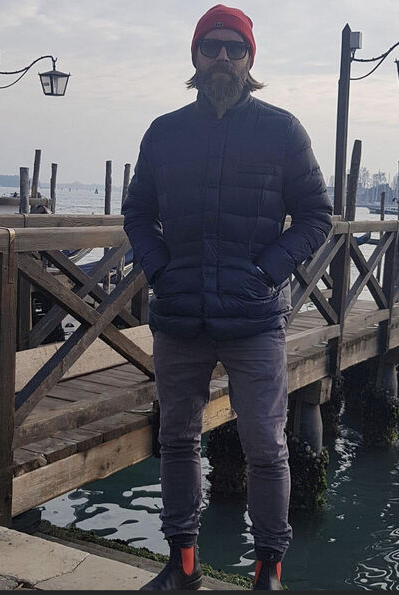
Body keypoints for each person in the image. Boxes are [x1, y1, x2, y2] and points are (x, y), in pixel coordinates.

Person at [122, 4, 332, 590]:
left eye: (233, 48)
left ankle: (268, 572)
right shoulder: (164, 133)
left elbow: (316, 215)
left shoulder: (282, 130)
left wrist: (268, 271)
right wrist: (159, 268)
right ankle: (183, 566)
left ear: (249, 59)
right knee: (177, 440)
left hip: (255, 317)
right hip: (179, 315)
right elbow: (137, 213)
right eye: (210, 46)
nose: (221, 56)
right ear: (195, 56)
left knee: (266, 446)